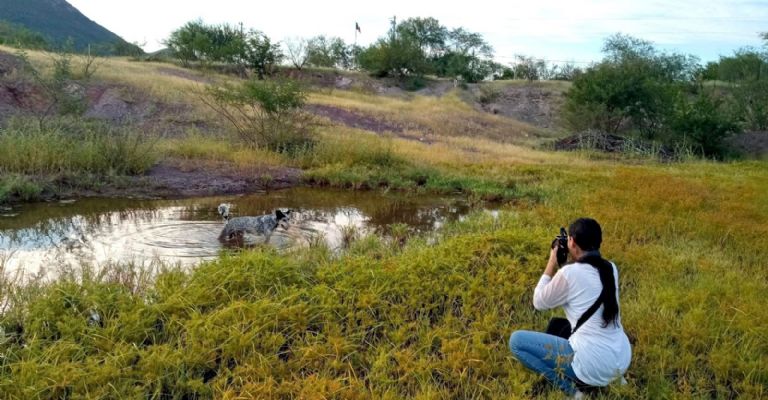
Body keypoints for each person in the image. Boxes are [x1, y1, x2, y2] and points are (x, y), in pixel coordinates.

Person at [508, 218, 631, 397]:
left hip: (592, 365)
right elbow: (582, 284)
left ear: (572, 242)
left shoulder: (569, 273)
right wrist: (565, 267)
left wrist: (552, 262)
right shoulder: (611, 268)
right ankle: (615, 378)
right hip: (621, 357)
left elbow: (538, 302)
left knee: (516, 342)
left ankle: (573, 392)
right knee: (558, 325)